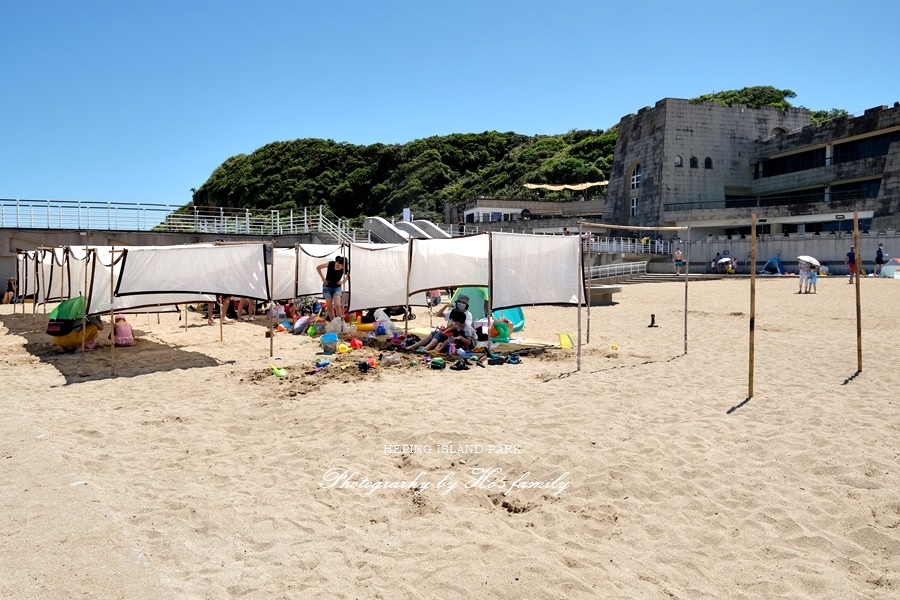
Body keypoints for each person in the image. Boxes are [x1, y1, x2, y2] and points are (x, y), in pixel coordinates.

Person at [316, 256, 348, 320]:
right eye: (340, 265)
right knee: (329, 307)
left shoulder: (344, 268)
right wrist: (323, 278)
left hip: (337, 288)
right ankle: (333, 322)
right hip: (327, 287)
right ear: (337, 262)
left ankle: (340, 322)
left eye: (342, 266)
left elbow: (348, 274)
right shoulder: (330, 264)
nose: (340, 267)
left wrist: (343, 281)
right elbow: (318, 267)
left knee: (337, 305)